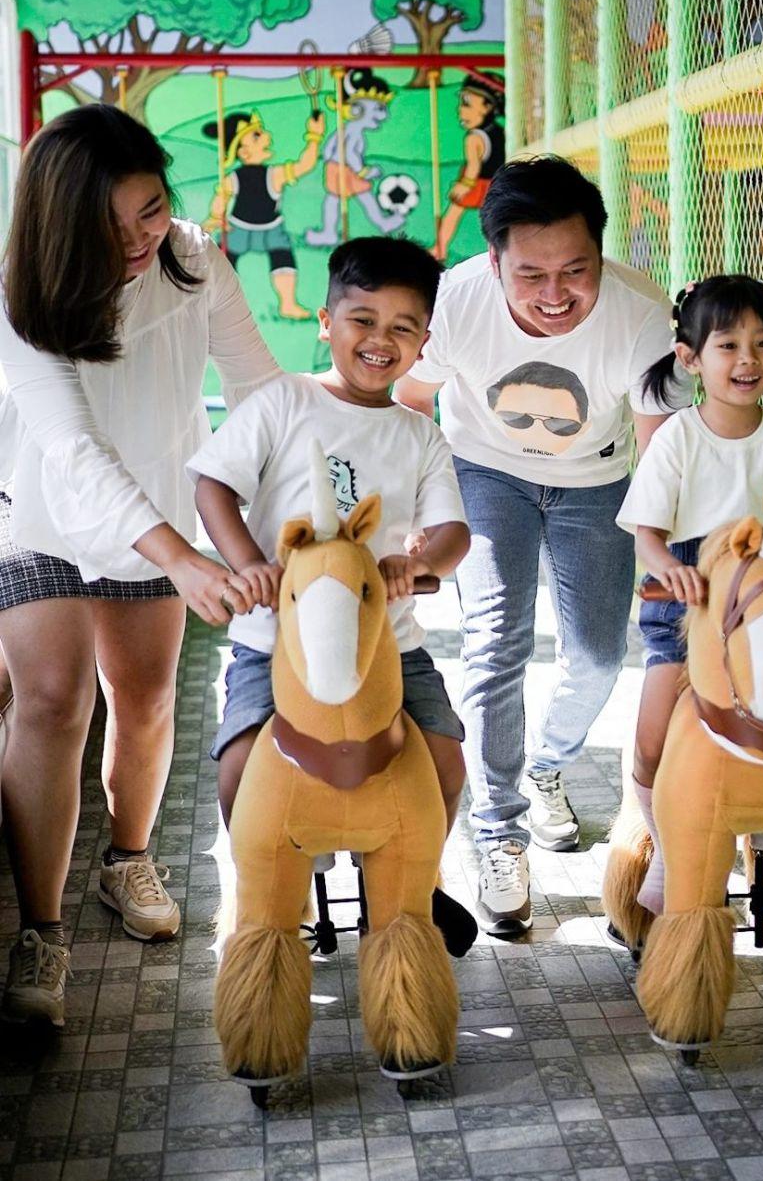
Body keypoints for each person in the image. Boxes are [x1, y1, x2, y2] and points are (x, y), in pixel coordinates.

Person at [0, 105, 281, 1028]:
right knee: (51, 698)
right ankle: (40, 932)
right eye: (111, 224)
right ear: (57, 222)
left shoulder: (195, 259)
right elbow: (74, 453)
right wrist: (188, 559)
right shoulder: (20, 291)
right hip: (39, 515)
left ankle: (127, 860)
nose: (138, 238)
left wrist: (293, 522)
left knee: (149, 696)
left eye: (150, 208)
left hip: (155, 505)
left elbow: (261, 395)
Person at [394, 156, 688, 936]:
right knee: (496, 645)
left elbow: (662, 447)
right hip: (484, 474)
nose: (556, 294)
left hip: (598, 482)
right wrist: (413, 507)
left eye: (575, 271)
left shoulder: (639, 313)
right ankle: (499, 831)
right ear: (494, 262)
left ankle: (549, 764)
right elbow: (407, 401)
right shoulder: (454, 302)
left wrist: (664, 550)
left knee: (597, 654)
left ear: (599, 253)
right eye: (531, 274)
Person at [186, 236, 475, 949]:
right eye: (363, 320)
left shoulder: (420, 435)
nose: (381, 341)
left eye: (403, 328)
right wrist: (250, 564)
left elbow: (452, 532)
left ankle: (417, 882)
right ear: (326, 321)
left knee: (443, 759)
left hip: (389, 647)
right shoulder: (284, 400)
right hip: (274, 642)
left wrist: (419, 560)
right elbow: (213, 484)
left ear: (423, 344)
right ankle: (269, 882)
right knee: (239, 767)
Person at [616, 275, 763, 912]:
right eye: (727, 345)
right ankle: (669, 846)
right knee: (650, 739)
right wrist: (669, 567)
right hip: (692, 596)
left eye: (761, 343)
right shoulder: (678, 437)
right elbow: (647, 535)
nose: (747, 359)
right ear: (691, 358)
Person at [203, 106, 326, 320]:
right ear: (242, 151)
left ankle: (287, 303)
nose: (267, 136)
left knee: (283, 259)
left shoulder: (275, 174)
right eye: (257, 135)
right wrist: (215, 218)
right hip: (238, 228)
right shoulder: (234, 178)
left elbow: (305, 165)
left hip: (271, 229)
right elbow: (221, 198)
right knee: (224, 263)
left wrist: (315, 136)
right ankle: (216, 303)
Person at [433, 74, 505, 262]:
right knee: (496, 218)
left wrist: (462, 185)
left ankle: (440, 247)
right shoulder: (501, 131)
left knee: (454, 211)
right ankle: (499, 249)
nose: (460, 110)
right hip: (499, 183)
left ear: (487, 106)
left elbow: (473, 168)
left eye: (467, 103)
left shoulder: (474, 138)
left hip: (478, 183)